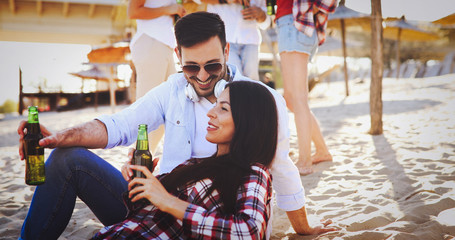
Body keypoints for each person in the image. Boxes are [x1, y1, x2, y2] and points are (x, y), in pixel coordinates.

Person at [17, 12, 334, 239]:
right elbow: (118, 126)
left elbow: (279, 168)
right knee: (66, 158)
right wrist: (60, 137)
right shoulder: (170, 89)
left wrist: (303, 228)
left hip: (193, 220)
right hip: (150, 206)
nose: (202, 76)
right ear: (177, 55)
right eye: (191, 67)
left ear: (226, 51)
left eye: (212, 65)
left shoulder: (258, 101)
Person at [92, 81, 275, 239]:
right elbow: (144, 210)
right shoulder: (196, 164)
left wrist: (168, 202)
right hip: (121, 231)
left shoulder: (253, 171)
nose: (210, 112)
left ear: (248, 122)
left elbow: (250, 232)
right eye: (216, 104)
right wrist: (140, 180)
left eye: (223, 108)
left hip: (144, 234)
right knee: (72, 158)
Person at [275, 0, 335, 175]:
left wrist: (310, 9)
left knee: (298, 99)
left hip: (294, 26)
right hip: (287, 25)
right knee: (291, 99)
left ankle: (305, 160)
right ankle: (322, 150)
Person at [128, 0, 186, 154]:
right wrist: (169, 9)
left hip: (164, 45)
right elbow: (133, 11)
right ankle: (137, 165)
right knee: (146, 113)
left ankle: (142, 162)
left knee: (171, 110)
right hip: (151, 42)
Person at [202, 0, 270, 80]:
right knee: (234, 79)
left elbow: (265, 23)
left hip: (251, 40)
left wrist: (260, 14)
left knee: (252, 80)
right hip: (223, 38)